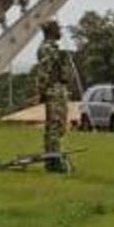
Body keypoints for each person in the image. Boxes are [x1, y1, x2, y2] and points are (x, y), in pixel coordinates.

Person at [32, 20, 71, 171]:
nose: (60, 31)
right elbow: (44, 71)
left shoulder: (52, 48)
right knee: (55, 125)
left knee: (58, 125)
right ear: (51, 31)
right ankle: (53, 160)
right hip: (54, 89)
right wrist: (41, 91)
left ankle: (53, 157)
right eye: (57, 29)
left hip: (58, 88)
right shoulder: (47, 48)